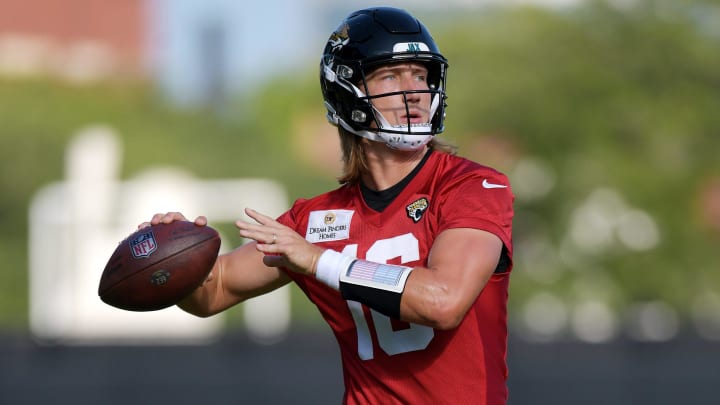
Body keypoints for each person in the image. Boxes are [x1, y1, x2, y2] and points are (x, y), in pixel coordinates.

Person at [143, 7, 514, 404]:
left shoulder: (472, 186)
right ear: (347, 92)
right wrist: (176, 256)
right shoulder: (316, 221)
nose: (415, 93)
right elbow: (213, 292)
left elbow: (443, 301)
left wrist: (318, 260)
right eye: (391, 76)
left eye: (421, 76)